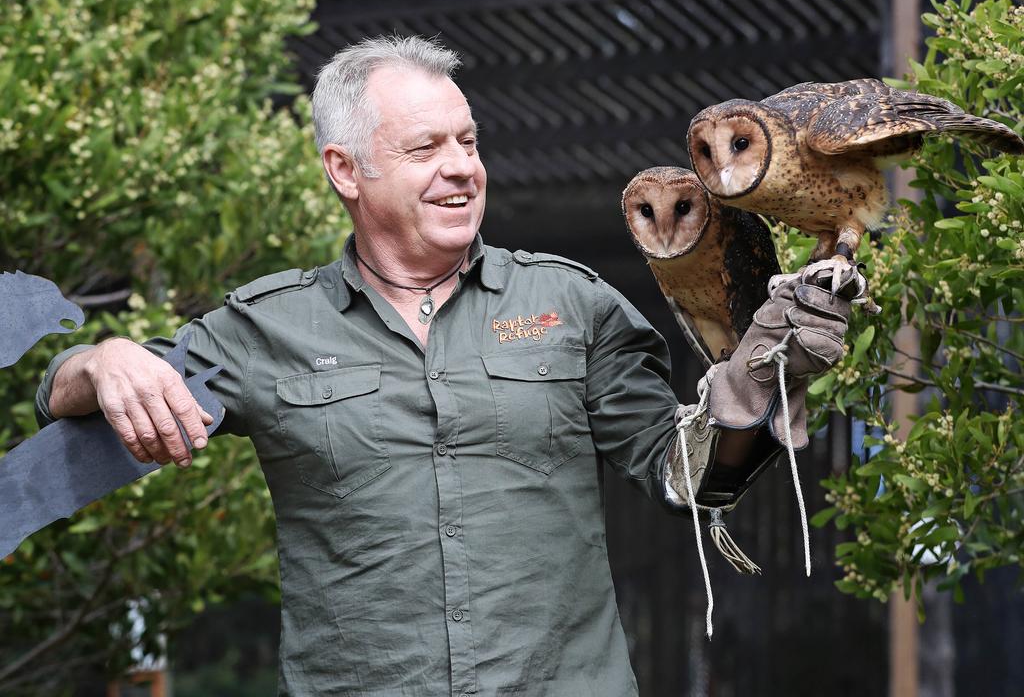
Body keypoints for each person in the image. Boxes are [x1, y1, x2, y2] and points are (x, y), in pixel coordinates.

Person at [36, 36, 859, 696]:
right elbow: (65, 396)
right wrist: (101, 359)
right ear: (345, 170)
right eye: (427, 146)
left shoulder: (572, 305)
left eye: (467, 141)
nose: (462, 165)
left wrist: (755, 383)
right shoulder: (269, 326)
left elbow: (686, 478)